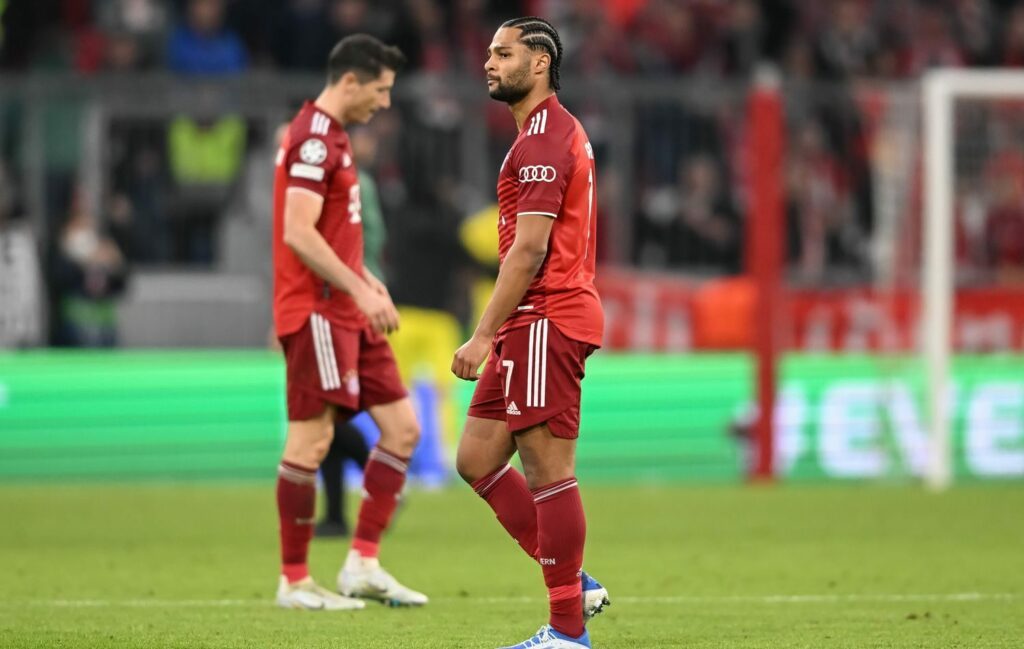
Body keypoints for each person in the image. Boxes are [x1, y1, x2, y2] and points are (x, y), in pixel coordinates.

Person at [450, 17, 609, 649]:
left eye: (503, 52)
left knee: (549, 470)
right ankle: (577, 583)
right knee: (477, 459)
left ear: (539, 62)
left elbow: (529, 251)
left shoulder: (544, 139)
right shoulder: (538, 136)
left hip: (546, 314)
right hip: (531, 319)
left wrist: (482, 333)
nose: (488, 63)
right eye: (488, 52)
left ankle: (567, 631)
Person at [271, 34, 427, 610]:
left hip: (348, 309)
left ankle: (362, 563)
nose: (384, 104)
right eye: (381, 91)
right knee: (310, 443)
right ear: (352, 81)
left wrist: (366, 277)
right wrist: (359, 286)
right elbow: (298, 230)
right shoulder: (313, 138)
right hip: (319, 311)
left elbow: (331, 230)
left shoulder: (333, 137)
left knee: (403, 428)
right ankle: (294, 580)